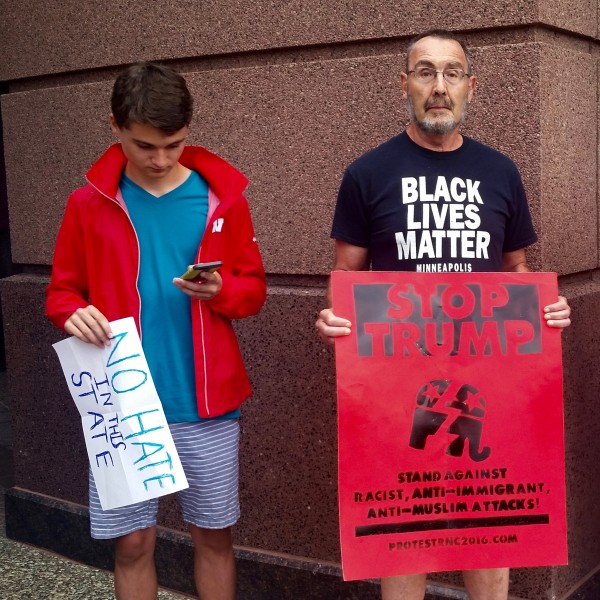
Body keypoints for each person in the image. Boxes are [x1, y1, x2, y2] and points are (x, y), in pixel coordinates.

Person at [315, 29, 571, 600]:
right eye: (425, 72)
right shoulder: (367, 173)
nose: (439, 86)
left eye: (452, 73)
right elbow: (346, 278)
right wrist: (333, 317)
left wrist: (543, 311)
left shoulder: (501, 172)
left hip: (488, 382)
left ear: (470, 87)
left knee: (489, 535)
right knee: (403, 537)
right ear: (404, 83)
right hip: (394, 389)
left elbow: (516, 271)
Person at [46, 62, 266, 600]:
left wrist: (223, 293)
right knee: (133, 544)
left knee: (213, 536)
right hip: (121, 402)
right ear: (114, 127)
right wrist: (70, 312)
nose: (161, 159)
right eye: (145, 146)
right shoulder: (87, 205)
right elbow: (61, 293)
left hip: (206, 402)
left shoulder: (222, 200)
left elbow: (253, 291)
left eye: (174, 144)